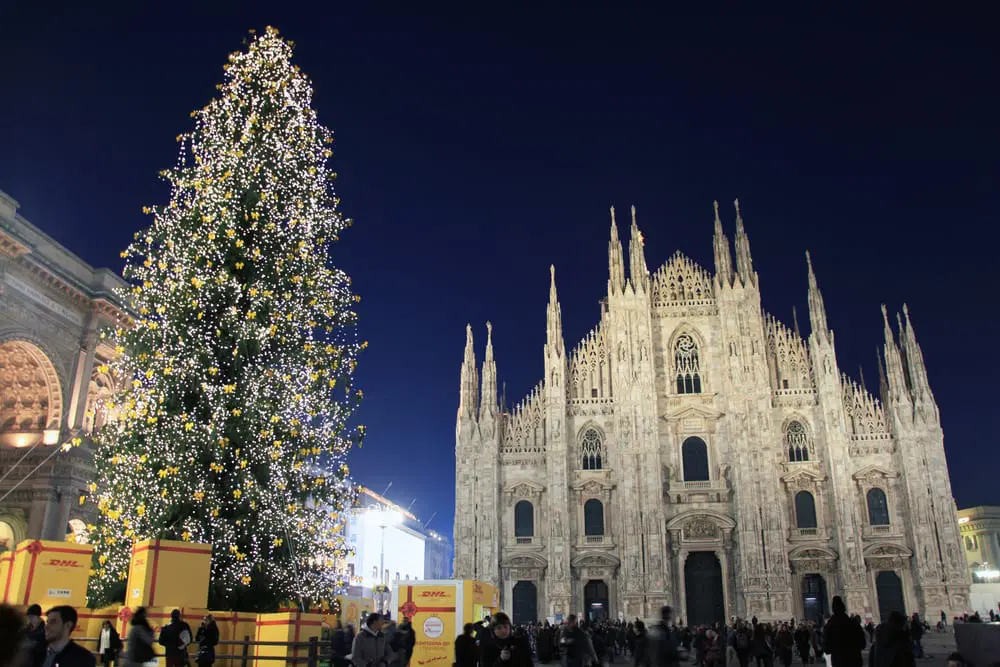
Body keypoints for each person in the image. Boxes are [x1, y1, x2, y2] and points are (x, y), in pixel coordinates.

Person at [821, 597, 865, 667]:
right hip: (854, 659)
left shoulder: (830, 626)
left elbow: (826, 648)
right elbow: (862, 644)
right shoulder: (853, 623)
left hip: (839, 660)